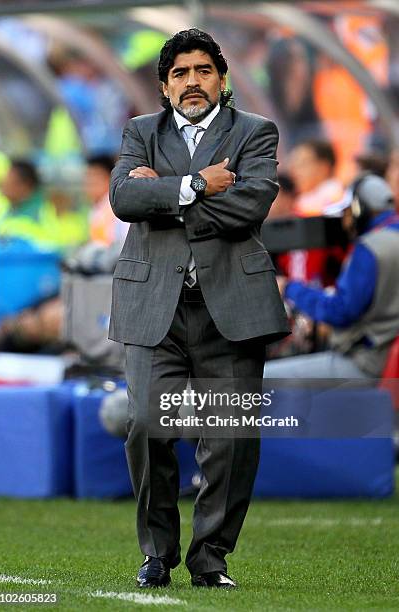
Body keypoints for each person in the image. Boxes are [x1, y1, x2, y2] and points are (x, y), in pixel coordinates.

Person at [109, 28, 289, 589]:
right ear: (164, 87)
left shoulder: (256, 132)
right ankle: (156, 554)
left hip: (231, 306)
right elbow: (122, 199)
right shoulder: (139, 131)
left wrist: (162, 194)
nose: (193, 82)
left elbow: (251, 205)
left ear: (223, 79)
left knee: (229, 438)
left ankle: (211, 558)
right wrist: (195, 185)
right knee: (144, 426)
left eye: (204, 71)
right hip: (151, 305)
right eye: (181, 74)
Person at [268, 173, 399, 379]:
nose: (346, 221)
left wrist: (289, 288)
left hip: (368, 361)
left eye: (347, 212)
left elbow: (339, 312)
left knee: (264, 380)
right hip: (386, 356)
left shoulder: (369, 247)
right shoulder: (391, 236)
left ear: (358, 208)